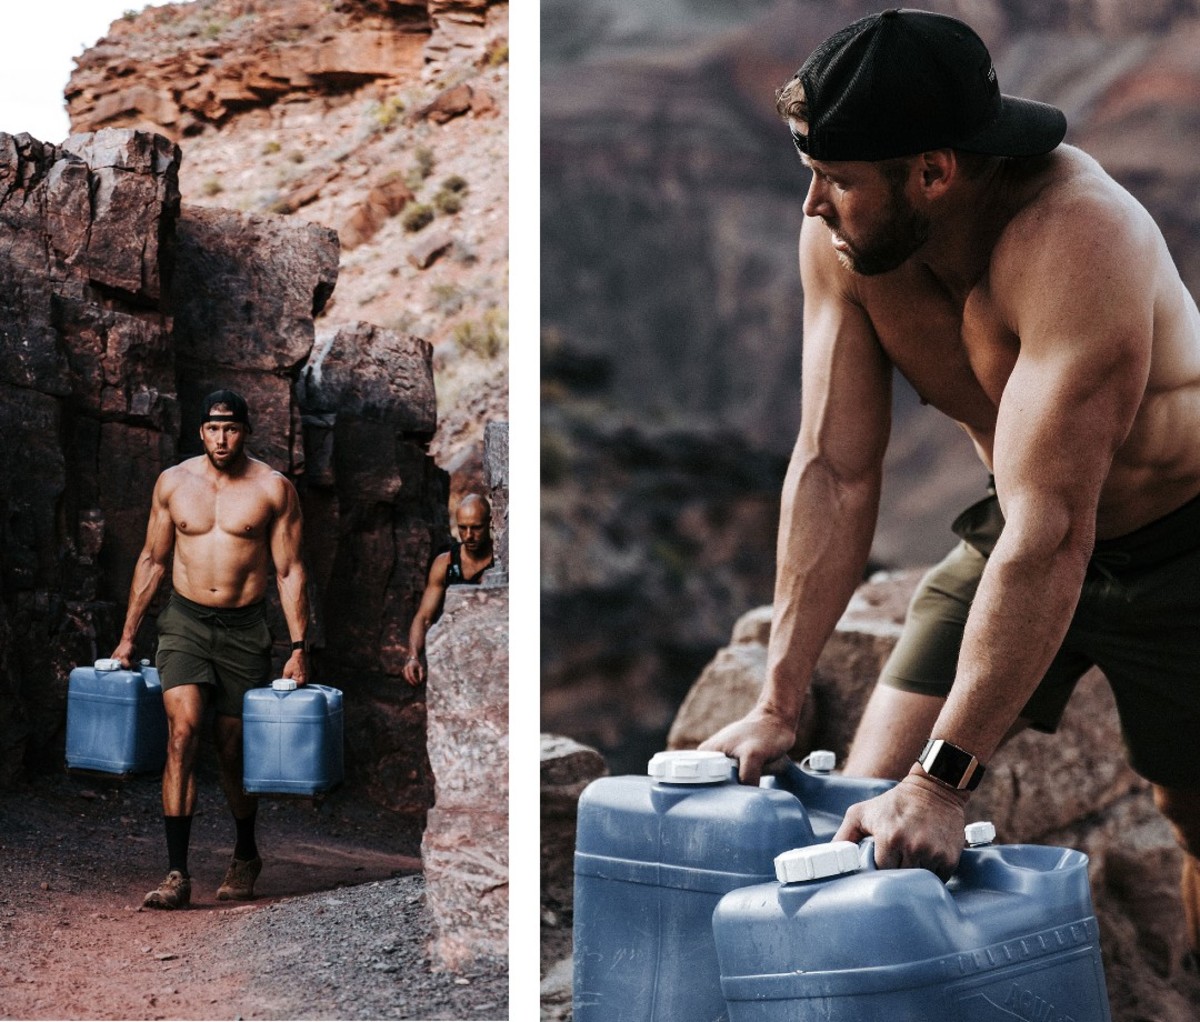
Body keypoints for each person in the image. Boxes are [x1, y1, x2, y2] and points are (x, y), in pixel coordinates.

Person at [700, 8, 1200, 956]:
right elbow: (835, 471)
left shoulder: (1077, 238)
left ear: (934, 170)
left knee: (1198, 817)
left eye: (838, 181)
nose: (811, 206)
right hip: (1015, 532)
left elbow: (1057, 535)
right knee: (862, 797)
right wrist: (778, 694)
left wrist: (943, 784)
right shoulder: (850, 245)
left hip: (1180, 545)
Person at [111, 390, 310, 910]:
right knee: (182, 733)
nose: (222, 438)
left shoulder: (272, 488)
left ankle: (245, 853)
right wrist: (129, 636)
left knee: (231, 749)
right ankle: (177, 873)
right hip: (185, 622)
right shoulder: (174, 483)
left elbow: (288, 571)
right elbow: (153, 559)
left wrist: (298, 646)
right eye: (213, 428)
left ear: (245, 431)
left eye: (232, 428)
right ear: (201, 431)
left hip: (246, 629)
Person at [402, 494, 494, 686]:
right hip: (453, 657)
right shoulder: (445, 563)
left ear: (489, 524)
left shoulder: (501, 562)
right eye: (462, 527)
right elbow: (424, 617)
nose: (468, 535)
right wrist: (413, 657)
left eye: (476, 527)